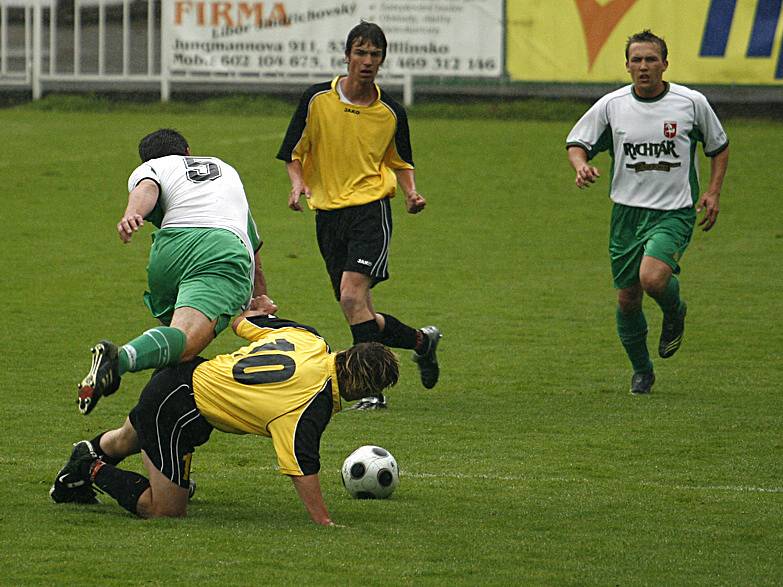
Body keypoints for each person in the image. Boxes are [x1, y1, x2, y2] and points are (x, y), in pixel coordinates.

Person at [51, 297, 400, 525]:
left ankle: (78, 470)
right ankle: (90, 467)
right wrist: (324, 521)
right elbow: (301, 466)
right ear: (362, 386)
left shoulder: (309, 339)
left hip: (181, 374)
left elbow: (244, 322)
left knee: (130, 437)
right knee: (167, 510)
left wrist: (259, 304)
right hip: (179, 410)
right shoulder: (312, 403)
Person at [276, 21, 441, 410]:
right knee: (359, 309)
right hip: (329, 216)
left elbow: (400, 161)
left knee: (352, 295)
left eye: (375, 55)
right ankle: (422, 341)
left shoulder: (391, 112)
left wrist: (411, 193)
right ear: (347, 55)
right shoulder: (317, 99)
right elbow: (293, 153)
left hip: (371, 210)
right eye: (361, 53)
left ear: (383, 60)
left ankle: (371, 388)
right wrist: (297, 183)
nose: (367, 61)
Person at [565, 30, 729, 394]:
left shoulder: (691, 102)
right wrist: (580, 165)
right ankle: (642, 370)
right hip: (626, 214)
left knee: (653, 279)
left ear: (665, 64)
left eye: (651, 59)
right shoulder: (612, 105)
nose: (643, 67)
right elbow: (578, 142)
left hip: (674, 211)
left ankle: (675, 312)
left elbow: (718, 147)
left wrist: (713, 192)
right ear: (626, 66)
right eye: (636, 60)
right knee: (627, 299)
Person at [77, 128, 275, 415]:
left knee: (176, 346)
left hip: (168, 251)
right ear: (188, 152)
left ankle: (151, 419)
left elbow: (147, 187)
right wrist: (262, 297)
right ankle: (117, 361)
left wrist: (133, 212)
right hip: (219, 248)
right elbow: (253, 248)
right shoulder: (225, 169)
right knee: (186, 341)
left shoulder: (151, 168)